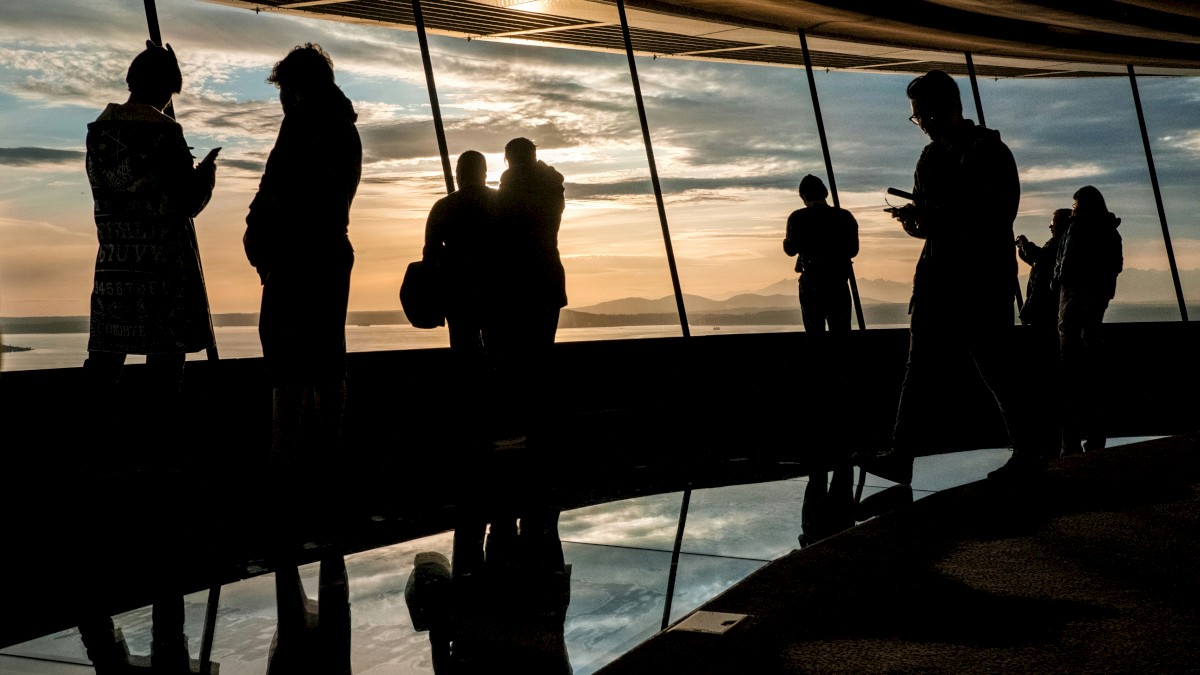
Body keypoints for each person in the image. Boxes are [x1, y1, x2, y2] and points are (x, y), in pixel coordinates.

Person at [78, 40, 219, 675]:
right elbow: (182, 202)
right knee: (165, 369)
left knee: (104, 362)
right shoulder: (166, 133)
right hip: (161, 267)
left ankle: (89, 457)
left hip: (114, 265)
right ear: (163, 87)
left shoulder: (98, 132)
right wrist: (205, 176)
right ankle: (161, 461)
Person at [861, 69, 1051, 485]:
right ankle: (904, 453)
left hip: (978, 276)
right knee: (930, 364)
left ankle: (1028, 448)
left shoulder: (988, 151)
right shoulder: (934, 157)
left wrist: (930, 218)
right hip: (942, 273)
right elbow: (941, 220)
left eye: (923, 115)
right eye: (916, 118)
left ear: (947, 109)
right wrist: (914, 222)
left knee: (991, 362)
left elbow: (996, 213)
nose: (921, 124)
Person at [243, 42, 361, 675]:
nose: (283, 99)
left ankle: (286, 474)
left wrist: (261, 240)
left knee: (291, 367)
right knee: (323, 363)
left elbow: (278, 197)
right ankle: (322, 470)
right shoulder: (337, 131)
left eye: (287, 89)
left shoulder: (309, 131)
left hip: (299, 263)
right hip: (319, 257)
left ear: (301, 87)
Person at [485, 137, 567, 445]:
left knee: (514, 359)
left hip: (517, 283)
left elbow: (503, 227)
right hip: (549, 277)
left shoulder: (511, 185)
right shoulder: (553, 188)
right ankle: (545, 428)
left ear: (509, 160)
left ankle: (518, 428)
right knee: (542, 356)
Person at [1054, 185, 1123, 456]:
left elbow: (1068, 262)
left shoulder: (1077, 230)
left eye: (1074, 206)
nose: (1072, 210)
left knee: (1070, 349)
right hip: (1095, 296)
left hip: (1074, 296)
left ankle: (1073, 407)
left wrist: (1061, 279)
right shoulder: (1109, 231)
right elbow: (1115, 264)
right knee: (1091, 344)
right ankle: (1093, 413)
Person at [423, 150, 497, 361]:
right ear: (484, 173)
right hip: (497, 290)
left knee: (464, 351)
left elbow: (430, 254)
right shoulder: (502, 203)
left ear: (459, 174)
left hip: (459, 293)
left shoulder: (443, 207)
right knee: (498, 352)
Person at [783, 174, 860, 333]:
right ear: (825, 193)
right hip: (838, 282)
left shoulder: (797, 218)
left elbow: (790, 250)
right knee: (841, 333)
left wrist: (787, 241)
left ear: (803, 196)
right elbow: (853, 250)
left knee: (814, 334)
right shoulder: (844, 216)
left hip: (811, 282)